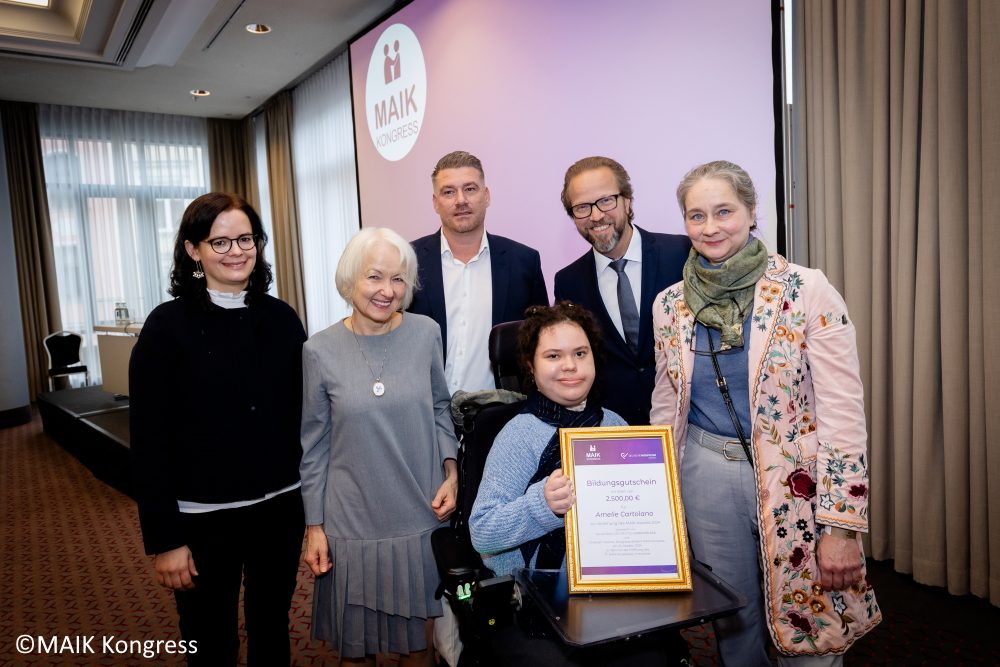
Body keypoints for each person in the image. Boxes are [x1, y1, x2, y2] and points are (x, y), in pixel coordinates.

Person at [651, 160, 882, 665]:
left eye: (724, 211)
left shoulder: (806, 290)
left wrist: (842, 527)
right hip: (704, 475)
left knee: (812, 614)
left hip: (796, 476)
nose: (710, 227)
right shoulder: (669, 305)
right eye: (696, 215)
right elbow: (666, 404)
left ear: (752, 212)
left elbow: (844, 414)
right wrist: (657, 497)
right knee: (731, 616)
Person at [129, 193, 307, 666]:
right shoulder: (166, 327)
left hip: (279, 512)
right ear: (193, 250)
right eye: (220, 241)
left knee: (273, 631)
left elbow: (306, 416)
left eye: (245, 238)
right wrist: (164, 539)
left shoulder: (282, 319)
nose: (236, 251)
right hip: (202, 520)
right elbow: (148, 441)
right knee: (210, 643)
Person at [469, 302, 671, 666]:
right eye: (553, 355)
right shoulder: (519, 435)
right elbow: (483, 533)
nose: (569, 365)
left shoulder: (615, 425)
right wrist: (541, 507)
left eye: (580, 353)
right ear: (530, 366)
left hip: (616, 590)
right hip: (540, 595)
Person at [300, 227, 459, 666]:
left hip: (419, 514)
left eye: (398, 279)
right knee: (356, 650)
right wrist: (315, 526)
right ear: (350, 280)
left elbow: (441, 407)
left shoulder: (426, 332)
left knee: (417, 650)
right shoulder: (318, 351)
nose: (387, 291)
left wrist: (452, 471)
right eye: (375, 277)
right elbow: (313, 447)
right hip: (350, 524)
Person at [554, 156, 690, 425]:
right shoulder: (568, 281)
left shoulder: (682, 254)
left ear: (627, 201)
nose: (596, 215)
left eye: (606, 201)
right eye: (582, 207)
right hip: (614, 434)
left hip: (685, 426)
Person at [410, 150, 549, 394]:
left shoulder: (524, 262)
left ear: (486, 196)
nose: (460, 200)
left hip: (502, 414)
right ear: (435, 202)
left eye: (470, 189)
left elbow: (542, 344)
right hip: (426, 413)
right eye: (448, 192)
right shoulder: (408, 261)